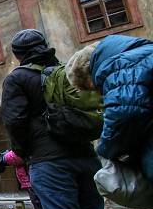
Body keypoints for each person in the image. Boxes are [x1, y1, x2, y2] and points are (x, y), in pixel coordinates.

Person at [2, 28, 125, 209]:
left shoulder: (18, 78)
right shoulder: (64, 72)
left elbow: (14, 120)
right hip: (84, 155)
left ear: (18, 55)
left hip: (49, 161)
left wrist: (23, 152)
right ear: (46, 47)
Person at [65, 35, 153, 183]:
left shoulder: (119, 66)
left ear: (87, 75)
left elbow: (124, 115)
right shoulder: (143, 52)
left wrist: (105, 151)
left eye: (88, 87)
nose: (98, 91)